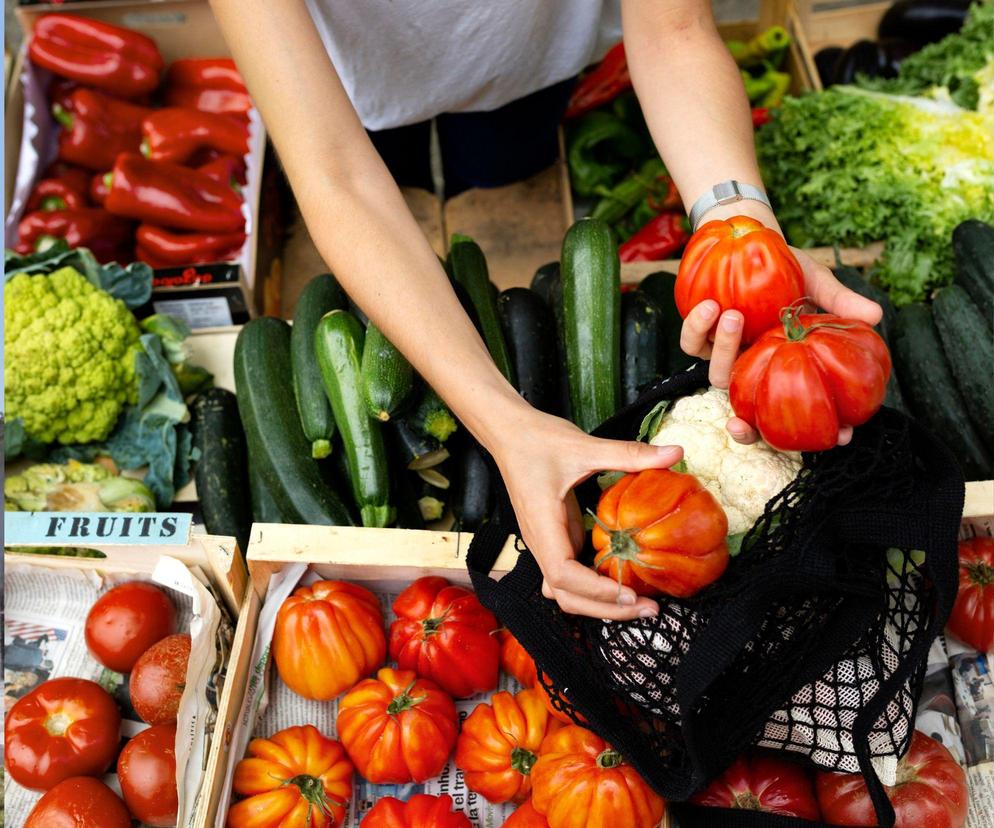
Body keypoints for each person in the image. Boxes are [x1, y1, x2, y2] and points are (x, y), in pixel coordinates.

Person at [212, 0, 882, 622]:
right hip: (349, 66)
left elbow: (673, 32)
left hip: (528, 50)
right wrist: (505, 426)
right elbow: (337, 171)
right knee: (388, 152)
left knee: (506, 153)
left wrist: (739, 227)